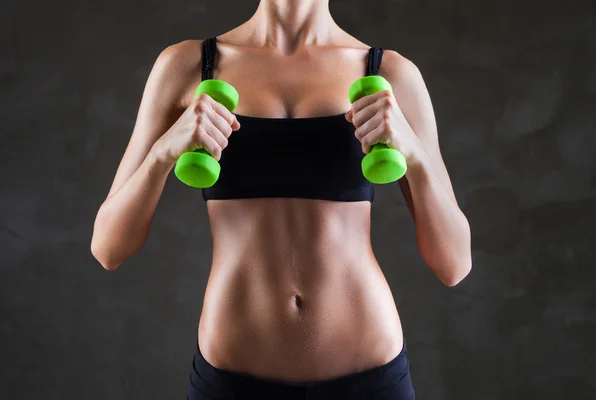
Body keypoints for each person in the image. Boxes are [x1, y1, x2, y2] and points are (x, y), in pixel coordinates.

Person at [91, 0, 472, 398]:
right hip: (233, 381)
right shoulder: (188, 65)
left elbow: (454, 264)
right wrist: (162, 154)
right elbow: (108, 248)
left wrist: (416, 156)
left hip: (370, 378)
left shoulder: (389, 73)